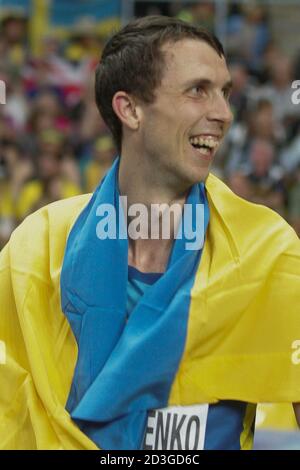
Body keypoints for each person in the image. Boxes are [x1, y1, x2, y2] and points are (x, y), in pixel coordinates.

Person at [0, 16, 299, 450]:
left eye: (225, 92)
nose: (223, 114)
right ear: (131, 109)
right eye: (198, 90)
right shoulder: (36, 250)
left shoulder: (267, 252)